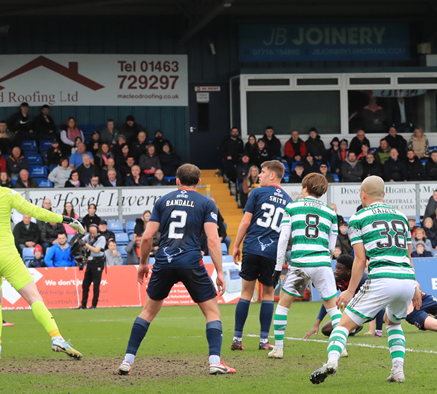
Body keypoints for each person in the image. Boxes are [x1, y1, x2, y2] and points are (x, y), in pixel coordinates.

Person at [0, 131, 84, 360]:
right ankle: (56, 337)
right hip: (8, 256)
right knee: (33, 297)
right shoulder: (8, 194)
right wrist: (66, 219)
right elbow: (35, 211)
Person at [116, 163, 231, 375]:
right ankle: (215, 362)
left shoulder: (163, 201)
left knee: (148, 312)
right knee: (212, 312)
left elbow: (147, 237)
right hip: (191, 262)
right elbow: (213, 240)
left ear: (177, 181)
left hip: (164, 262)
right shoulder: (206, 203)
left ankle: (127, 361)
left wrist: (142, 264)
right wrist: (220, 272)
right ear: (198, 182)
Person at [309, 176, 422, 385]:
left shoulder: (359, 218)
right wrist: (415, 285)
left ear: (363, 195)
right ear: (384, 195)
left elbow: (360, 259)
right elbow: (408, 256)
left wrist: (350, 291)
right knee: (393, 322)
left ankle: (331, 362)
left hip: (382, 278)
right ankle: (398, 370)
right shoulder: (401, 217)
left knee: (342, 326)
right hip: (406, 279)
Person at [268, 174, 340, 359]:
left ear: (305, 188)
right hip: (322, 263)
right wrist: (325, 261)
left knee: (284, 304)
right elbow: (332, 247)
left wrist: (278, 268)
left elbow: (283, 239)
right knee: (332, 307)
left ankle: (278, 348)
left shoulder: (292, 207)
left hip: (300, 263)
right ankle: (342, 346)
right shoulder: (330, 213)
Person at [230, 161, 291, 351]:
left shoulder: (256, 193)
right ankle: (264, 341)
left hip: (252, 248)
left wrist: (236, 245)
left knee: (246, 293)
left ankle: (237, 338)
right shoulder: (289, 201)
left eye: (262, 172)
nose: (259, 176)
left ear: (272, 175)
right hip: (272, 253)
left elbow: (246, 221)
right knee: (268, 294)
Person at [77, 224, 106, 309]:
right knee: (85, 284)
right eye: (91, 233)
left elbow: (96, 250)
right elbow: (80, 242)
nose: (92, 235)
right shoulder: (88, 237)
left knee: (96, 285)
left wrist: (86, 245)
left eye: (94, 233)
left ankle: (94, 304)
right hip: (89, 262)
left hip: (98, 261)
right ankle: (83, 304)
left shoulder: (101, 238)